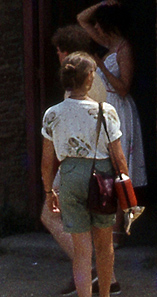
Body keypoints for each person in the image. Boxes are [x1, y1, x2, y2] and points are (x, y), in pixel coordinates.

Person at [42, 52, 129, 297]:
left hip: (68, 177)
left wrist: (48, 191)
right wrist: (127, 194)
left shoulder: (52, 114)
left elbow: (47, 161)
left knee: (81, 252)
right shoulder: (106, 112)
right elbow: (118, 157)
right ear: (90, 79)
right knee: (105, 246)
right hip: (101, 178)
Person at [78, 2, 147, 192]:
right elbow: (82, 19)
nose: (97, 27)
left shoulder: (124, 49)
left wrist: (102, 67)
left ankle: (124, 207)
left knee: (119, 161)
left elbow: (124, 88)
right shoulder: (108, 44)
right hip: (105, 104)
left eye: (100, 23)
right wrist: (104, 3)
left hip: (118, 106)